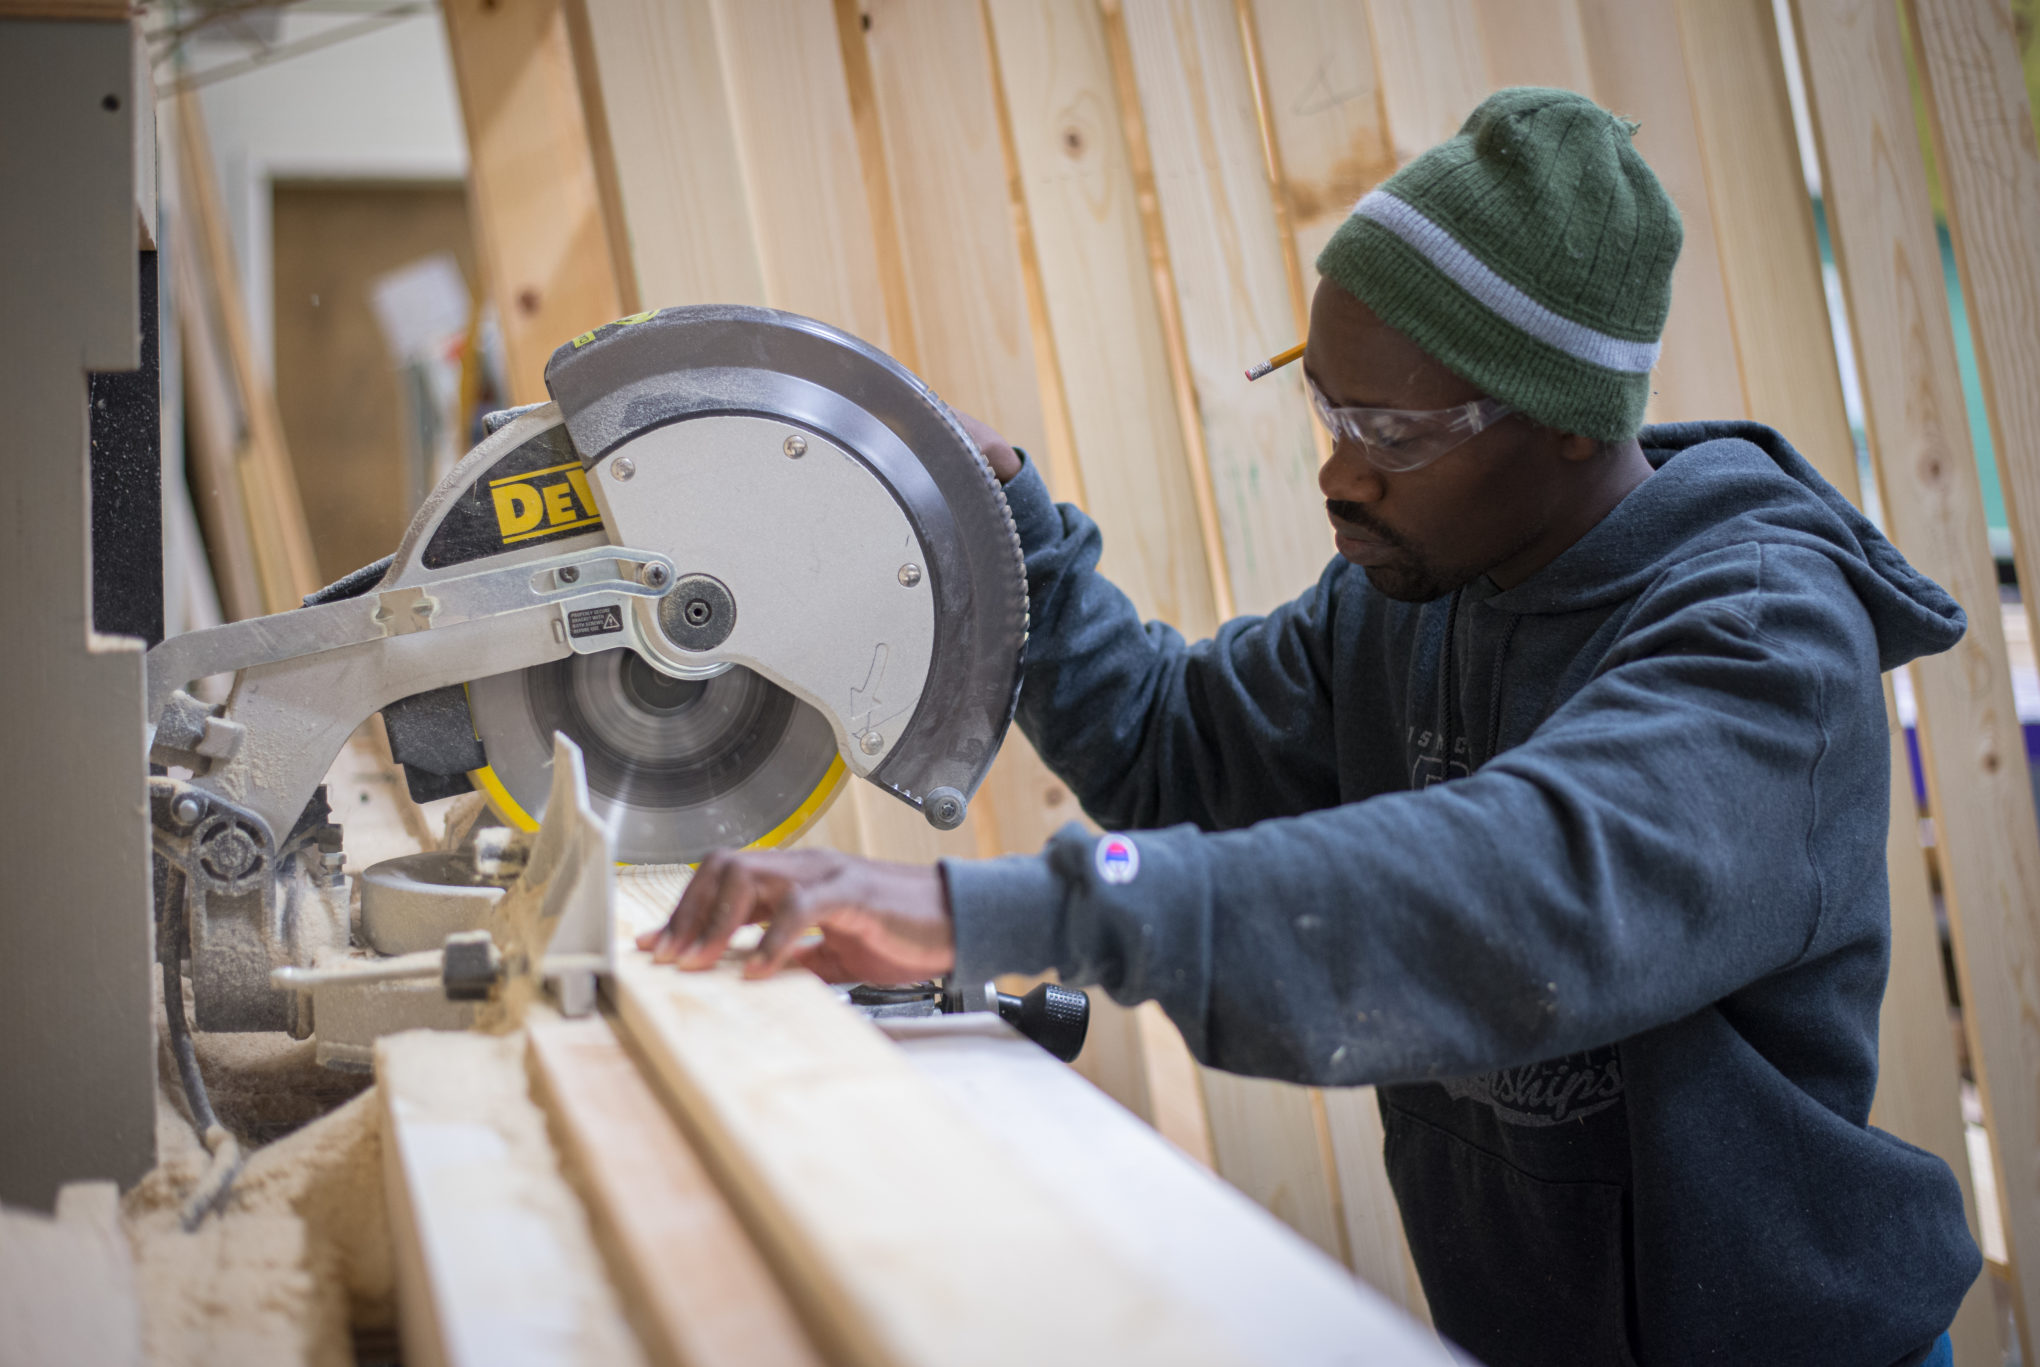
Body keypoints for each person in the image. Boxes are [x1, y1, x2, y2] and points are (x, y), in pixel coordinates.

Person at [640, 87, 1978, 1366]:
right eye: (1327, 410)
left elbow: (1504, 895)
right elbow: (1178, 748)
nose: (1339, 475)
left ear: (1570, 422)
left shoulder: (1760, 643)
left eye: (1391, 431)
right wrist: (1011, 533)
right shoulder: (1411, 595)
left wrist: (980, 905)